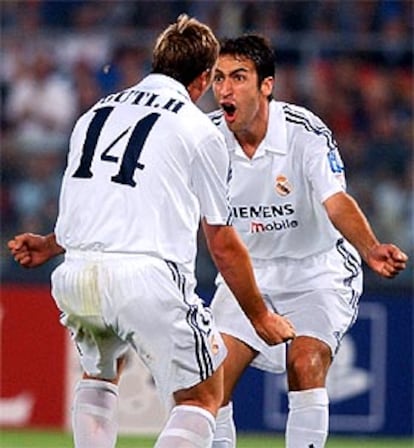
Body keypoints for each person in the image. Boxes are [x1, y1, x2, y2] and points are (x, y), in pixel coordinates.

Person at [8, 21, 296, 448]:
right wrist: (260, 316)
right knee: (203, 395)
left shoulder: (97, 113)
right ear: (201, 80)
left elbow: (98, 202)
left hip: (76, 272)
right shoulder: (199, 131)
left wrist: (51, 245)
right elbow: (221, 241)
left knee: (99, 373)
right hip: (147, 277)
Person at [206, 34, 408, 448]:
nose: (225, 89)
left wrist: (370, 247)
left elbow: (336, 202)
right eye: (218, 77)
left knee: (306, 362)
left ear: (267, 85)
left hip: (316, 271)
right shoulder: (203, 139)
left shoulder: (305, 132)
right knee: (212, 381)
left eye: (238, 77)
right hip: (248, 274)